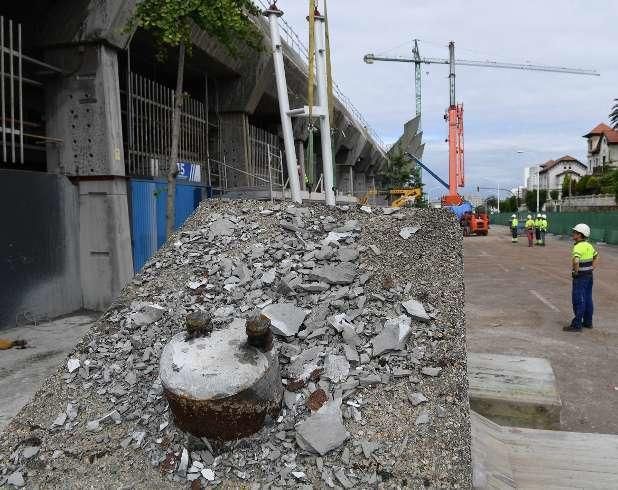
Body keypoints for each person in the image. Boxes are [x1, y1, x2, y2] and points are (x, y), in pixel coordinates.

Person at [563, 224, 598, 332]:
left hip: (580, 277)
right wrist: (592, 268)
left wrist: (575, 272)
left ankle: (577, 324)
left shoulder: (577, 247)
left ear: (580, 235)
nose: (573, 234)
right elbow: (595, 256)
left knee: (578, 300)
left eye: (575, 232)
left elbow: (576, 260)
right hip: (589, 275)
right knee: (588, 298)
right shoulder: (589, 245)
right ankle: (588, 322)